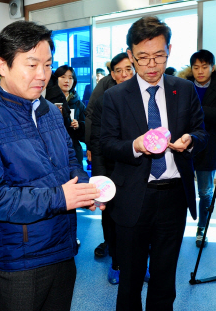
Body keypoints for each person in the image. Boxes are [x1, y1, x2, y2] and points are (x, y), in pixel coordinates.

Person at [0, 20, 102, 311]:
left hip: (62, 245)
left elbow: (69, 159)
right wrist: (61, 197)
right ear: (3, 65)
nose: (43, 75)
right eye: (32, 65)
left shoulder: (49, 111)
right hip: (20, 258)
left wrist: (82, 186)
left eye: (48, 65)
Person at [101, 16, 207, 311]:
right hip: (133, 195)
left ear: (169, 50)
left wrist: (191, 140)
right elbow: (106, 143)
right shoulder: (115, 96)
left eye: (159, 56)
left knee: (164, 277)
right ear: (130, 55)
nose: (151, 65)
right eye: (143, 57)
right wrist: (135, 146)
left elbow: (202, 132)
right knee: (131, 277)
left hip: (173, 194)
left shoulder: (183, 90)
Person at [177, 50, 216, 247]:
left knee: (205, 191)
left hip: (209, 147)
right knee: (180, 190)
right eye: (196, 67)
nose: (200, 71)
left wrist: (193, 109)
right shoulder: (181, 87)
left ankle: (203, 228)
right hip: (183, 146)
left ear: (212, 67)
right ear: (191, 69)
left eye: (204, 66)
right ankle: (177, 227)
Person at [90, 52, 134, 284]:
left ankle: (140, 263)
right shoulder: (104, 100)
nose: (124, 74)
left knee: (140, 222)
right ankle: (116, 263)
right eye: (118, 71)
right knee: (112, 220)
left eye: (129, 69)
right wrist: (99, 180)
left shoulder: (147, 98)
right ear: (112, 75)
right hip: (111, 170)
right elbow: (96, 143)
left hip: (139, 172)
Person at [55, 65, 86, 165]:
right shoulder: (48, 101)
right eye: (63, 77)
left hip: (74, 151)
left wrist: (79, 126)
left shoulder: (78, 104)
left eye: (70, 77)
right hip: (54, 151)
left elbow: (86, 131)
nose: (67, 81)